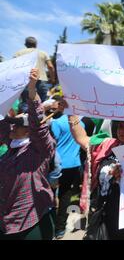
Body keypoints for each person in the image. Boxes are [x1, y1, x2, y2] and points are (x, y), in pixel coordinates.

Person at [65, 103, 124, 240]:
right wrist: (71, 112)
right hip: (108, 214)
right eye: (120, 126)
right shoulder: (107, 145)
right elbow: (82, 139)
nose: (122, 129)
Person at [0, 68, 56, 240]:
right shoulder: (11, 146)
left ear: (28, 130)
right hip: (5, 222)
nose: (12, 127)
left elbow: (38, 124)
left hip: (30, 223)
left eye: (17, 125)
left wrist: (32, 89)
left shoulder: (39, 149)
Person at [47, 96, 85, 239]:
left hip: (56, 165)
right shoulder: (80, 123)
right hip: (74, 165)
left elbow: (51, 143)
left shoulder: (56, 122)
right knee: (65, 197)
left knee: (50, 196)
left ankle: (51, 226)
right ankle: (60, 229)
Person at [14, 37, 56, 111]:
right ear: (36, 44)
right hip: (42, 81)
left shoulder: (18, 53)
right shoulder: (42, 53)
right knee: (42, 104)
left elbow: (13, 67)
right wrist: (52, 80)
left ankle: (26, 120)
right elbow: (50, 66)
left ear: (25, 44)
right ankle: (41, 120)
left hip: (26, 81)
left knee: (26, 103)